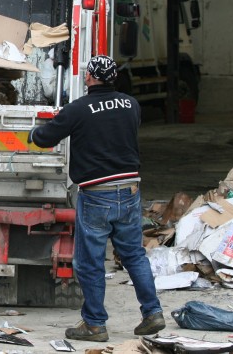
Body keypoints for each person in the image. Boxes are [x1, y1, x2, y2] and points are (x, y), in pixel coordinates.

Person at [28, 55, 165, 342]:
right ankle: (152, 312)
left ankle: (94, 324)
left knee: (89, 262)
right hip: (129, 191)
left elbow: (45, 138)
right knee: (134, 255)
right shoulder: (131, 105)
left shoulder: (78, 109)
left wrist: (32, 134)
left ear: (90, 78)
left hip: (96, 195)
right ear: (113, 78)